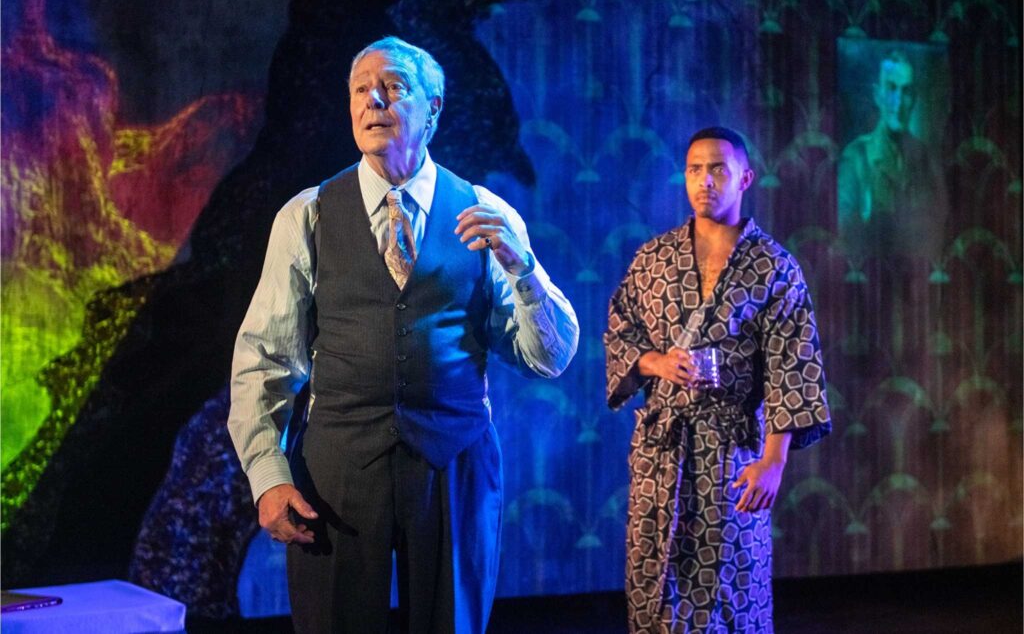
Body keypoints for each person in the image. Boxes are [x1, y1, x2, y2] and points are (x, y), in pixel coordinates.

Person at [228, 36, 578, 634]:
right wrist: (268, 478)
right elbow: (264, 359)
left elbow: (549, 357)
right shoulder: (308, 215)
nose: (374, 101)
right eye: (361, 89)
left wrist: (523, 270)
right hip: (337, 472)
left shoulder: (485, 213)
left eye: (393, 86)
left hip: (454, 467)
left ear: (433, 108)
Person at [604, 126, 831, 633]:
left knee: (733, 588)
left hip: (733, 452)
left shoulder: (775, 268)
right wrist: (656, 362)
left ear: (744, 178)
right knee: (655, 585)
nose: (704, 181)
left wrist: (773, 461)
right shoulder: (652, 259)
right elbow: (620, 331)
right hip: (662, 450)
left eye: (717, 170)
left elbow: (792, 366)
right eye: (694, 170)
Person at [837, 50, 948, 257]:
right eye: (891, 89)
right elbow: (847, 238)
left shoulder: (926, 159)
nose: (898, 102)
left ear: (913, 98)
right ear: (877, 95)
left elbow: (939, 228)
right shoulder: (856, 158)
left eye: (906, 92)